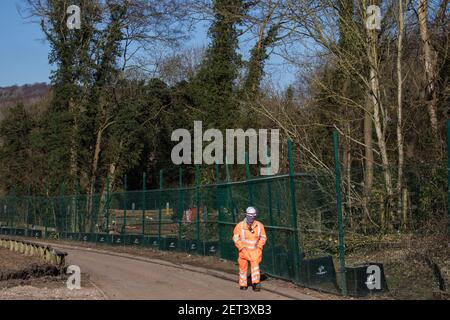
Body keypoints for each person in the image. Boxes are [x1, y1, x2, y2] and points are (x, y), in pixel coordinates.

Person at [232, 206, 267, 291]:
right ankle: (243, 284)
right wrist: (242, 248)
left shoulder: (259, 226)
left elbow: (263, 237)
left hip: (254, 251)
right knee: (243, 268)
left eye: (253, 216)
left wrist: (259, 247)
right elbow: (236, 238)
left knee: (255, 268)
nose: (252, 217)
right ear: (246, 215)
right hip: (243, 251)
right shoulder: (239, 226)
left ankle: (256, 284)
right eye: (250, 215)